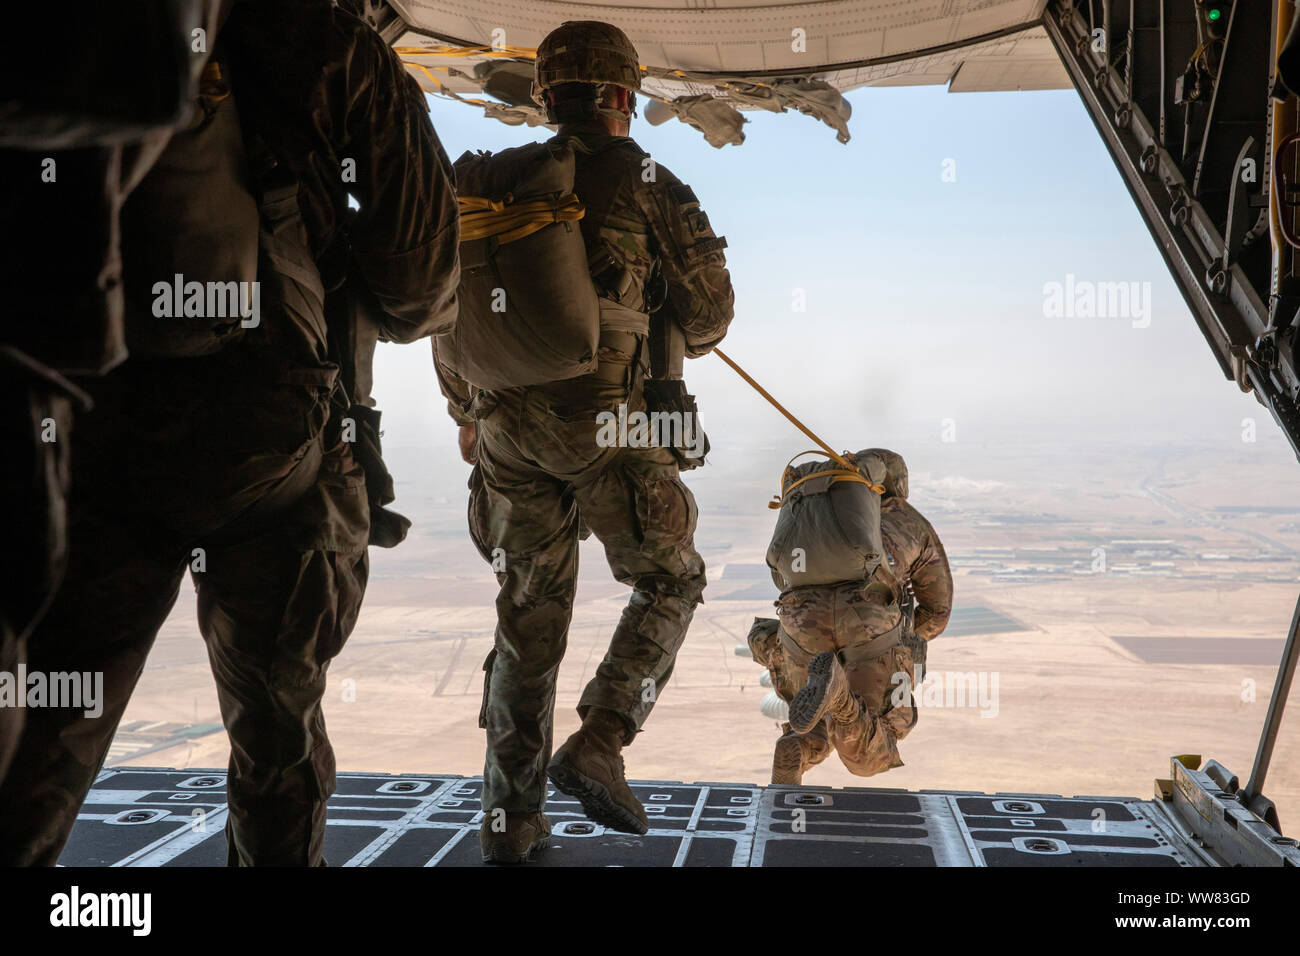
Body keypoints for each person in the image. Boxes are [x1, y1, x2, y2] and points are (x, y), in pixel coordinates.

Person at [0, 0, 459, 866]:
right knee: (276, 741)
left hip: (85, 423)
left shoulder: (92, 29)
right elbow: (421, 285)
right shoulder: (338, 46)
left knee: (43, 734)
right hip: (271, 437)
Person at [435, 20, 734, 864]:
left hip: (500, 430)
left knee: (527, 621)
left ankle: (509, 822)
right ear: (621, 98)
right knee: (672, 578)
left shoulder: (494, 188)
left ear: (545, 96)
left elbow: (448, 317)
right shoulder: (648, 179)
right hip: (610, 423)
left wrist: (468, 414)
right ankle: (603, 736)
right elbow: (710, 319)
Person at [748, 448, 951, 785]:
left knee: (820, 719)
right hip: (869, 628)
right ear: (898, 484)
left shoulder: (815, 507)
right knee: (874, 750)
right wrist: (900, 643)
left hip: (799, 630)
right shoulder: (911, 522)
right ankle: (840, 695)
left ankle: (799, 747)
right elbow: (936, 613)